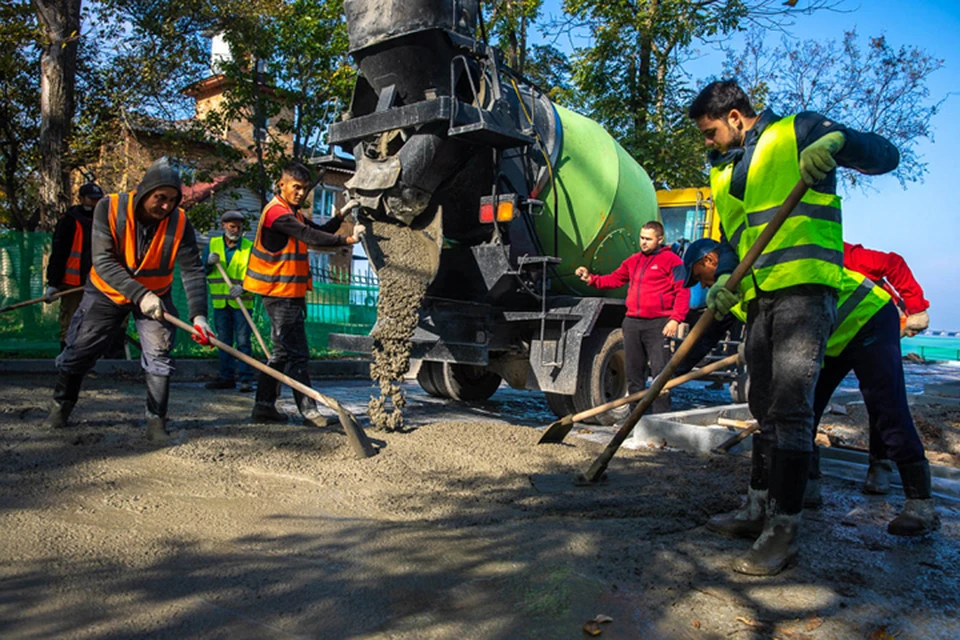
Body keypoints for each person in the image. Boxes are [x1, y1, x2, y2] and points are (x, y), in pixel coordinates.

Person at [687, 79, 900, 575]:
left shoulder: (800, 131)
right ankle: (757, 506)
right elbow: (741, 240)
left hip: (806, 291)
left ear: (736, 117)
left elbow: (886, 155)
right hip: (761, 297)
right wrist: (724, 281)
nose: (708, 142)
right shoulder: (728, 171)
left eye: (711, 131)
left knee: (791, 406)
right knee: (762, 403)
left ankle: (784, 529)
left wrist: (840, 142)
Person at [682, 238, 939, 541]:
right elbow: (704, 338)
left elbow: (732, 250)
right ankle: (807, 486)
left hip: (867, 318)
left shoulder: (760, 264)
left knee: (887, 408)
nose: (700, 283)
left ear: (712, 261)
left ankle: (920, 505)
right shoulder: (728, 295)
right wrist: (667, 375)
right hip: (826, 337)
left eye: (699, 275)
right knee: (802, 411)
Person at [42, 157, 213, 442]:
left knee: (159, 356)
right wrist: (140, 294)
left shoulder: (180, 221)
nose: (167, 206)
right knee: (80, 350)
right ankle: (61, 405)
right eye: (161, 198)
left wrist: (199, 316)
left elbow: (193, 270)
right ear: (145, 191)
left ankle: (156, 422)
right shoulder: (108, 208)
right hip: (107, 292)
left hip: (156, 295)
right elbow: (103, 261)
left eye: (173, 200)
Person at [243, 161, 362, 426]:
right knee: (296, 354)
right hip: (279, 293)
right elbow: (310, 236)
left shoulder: (291, 213)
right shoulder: (277, 214)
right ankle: (309, 412)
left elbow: (318, 231)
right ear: (281, 184)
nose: (301, 193)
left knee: (282, 354)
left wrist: (341, 215)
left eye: (305, 189)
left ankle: (263, 406)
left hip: (289, 293)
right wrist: (348, 241)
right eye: (296, 187)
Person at [843, 241, 931, 493]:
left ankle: (881, 465)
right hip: (834, 335)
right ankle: (808, 476)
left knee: (883, 401)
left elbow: (893, 263)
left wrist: (915, 310)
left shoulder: (845, 254)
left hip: (874, 330)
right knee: (810, 398)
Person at [575, 220, 690, 414]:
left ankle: (661, 420)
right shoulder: (633, 261)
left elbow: (683, 291)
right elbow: (614, 279)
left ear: (660, 239)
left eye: (648, 239)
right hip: (633, 323)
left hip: (658, 324)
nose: (643, 242)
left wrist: (675, 319)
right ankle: (635, 418)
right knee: (633, 373)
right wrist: (591, 279)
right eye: (641, 238)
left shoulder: (673, 262)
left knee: (660, 375)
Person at [44, 183, 125, 358]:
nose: (95, 203)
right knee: (72, 321)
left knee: (112, 319)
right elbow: (59, 252)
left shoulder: (109, 220)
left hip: (104, 282)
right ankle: (67, 360)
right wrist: (53, 283)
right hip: (74, 283)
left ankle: (110, 360)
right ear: (81, 199)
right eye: (91, 199)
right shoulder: (69, 220)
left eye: (98, 200)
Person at [202, 210, 256, 392]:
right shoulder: (213, 245)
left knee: (243, 342)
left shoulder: (249, 247)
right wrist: (208, 263)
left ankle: (246, 379)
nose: (236, 230)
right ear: (223, 225)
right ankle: (226, 378)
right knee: (224, 341)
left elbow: (256, 275)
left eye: (239, 227)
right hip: (220, 303)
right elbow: (201, 271)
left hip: (242, 303)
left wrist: (245, 288)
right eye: (232, 226)